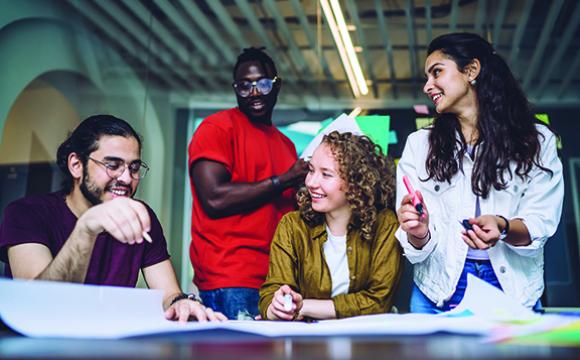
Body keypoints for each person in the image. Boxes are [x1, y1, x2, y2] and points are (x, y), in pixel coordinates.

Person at [395, 32, 564, 313]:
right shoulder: (420, 145)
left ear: (471, 70)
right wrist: (418, 231)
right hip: (437, 291)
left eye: (436, 72)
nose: (427, 86)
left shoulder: (537, 140)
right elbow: (416, 244)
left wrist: (503, 226)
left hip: (513, 290)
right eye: (427, 77)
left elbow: (541, 222)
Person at [0, 115, 226, 322]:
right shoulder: (25, 213)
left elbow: (169, 294)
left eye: (134, 168)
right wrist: (86, 229)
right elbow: (38, 303)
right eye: (113, 165)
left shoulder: (141, 216)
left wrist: (182, 303)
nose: (127, 178)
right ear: (76, 165)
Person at [188, 47, 308, 320]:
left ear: (276, 85)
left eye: (263, 84)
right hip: (230, 275)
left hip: (276, 278)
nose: (254, 92)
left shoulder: (286, 145)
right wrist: (284, 179)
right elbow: (214, 198)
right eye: (244, 86)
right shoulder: (216, 128)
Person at [259, 131, 402, 321]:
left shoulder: (384, 224)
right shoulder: (292, 226)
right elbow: (271, 294)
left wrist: (304, 307)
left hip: (365, 343)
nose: (311, 182)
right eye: (311, 170)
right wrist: (276, 307)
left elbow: (378, 301)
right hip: (307, 344)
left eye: (326, 174)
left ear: (356, 183)